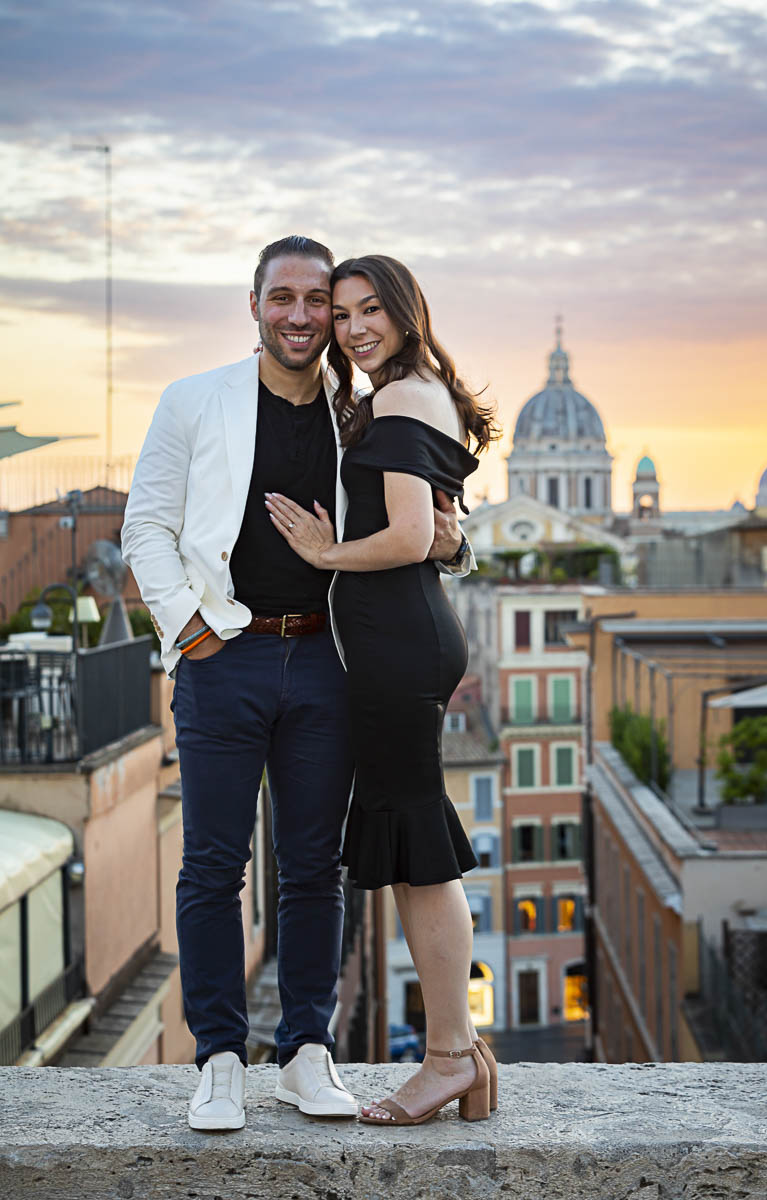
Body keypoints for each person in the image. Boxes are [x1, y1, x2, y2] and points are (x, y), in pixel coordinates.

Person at [120, 236, 471, 1131]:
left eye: (324, 301)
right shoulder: (195, 400)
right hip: (224, 656)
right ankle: (220, 1060)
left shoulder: (359, 409)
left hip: (328, 659)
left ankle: (307, 1053)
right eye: (289, 299)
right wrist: (189, 631)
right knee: (212, 864)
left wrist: (453, 541)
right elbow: (147, 528)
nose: (308, 317)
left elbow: (434, 519)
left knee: (317, 866)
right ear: (255, 305)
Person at [265, 254, 500, 1126]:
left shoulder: (400, 397)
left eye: (373, 311)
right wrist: (439, 545)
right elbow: (440, 535)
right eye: (346, 313)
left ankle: (446, 1059)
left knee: (418, 857)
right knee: (413, 849)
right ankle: (465, 1058)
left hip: (398, 644)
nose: (356, 327)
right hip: (407, 637)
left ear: (407, 313)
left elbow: (406, 534)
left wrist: (326, 555)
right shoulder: (411, 389)